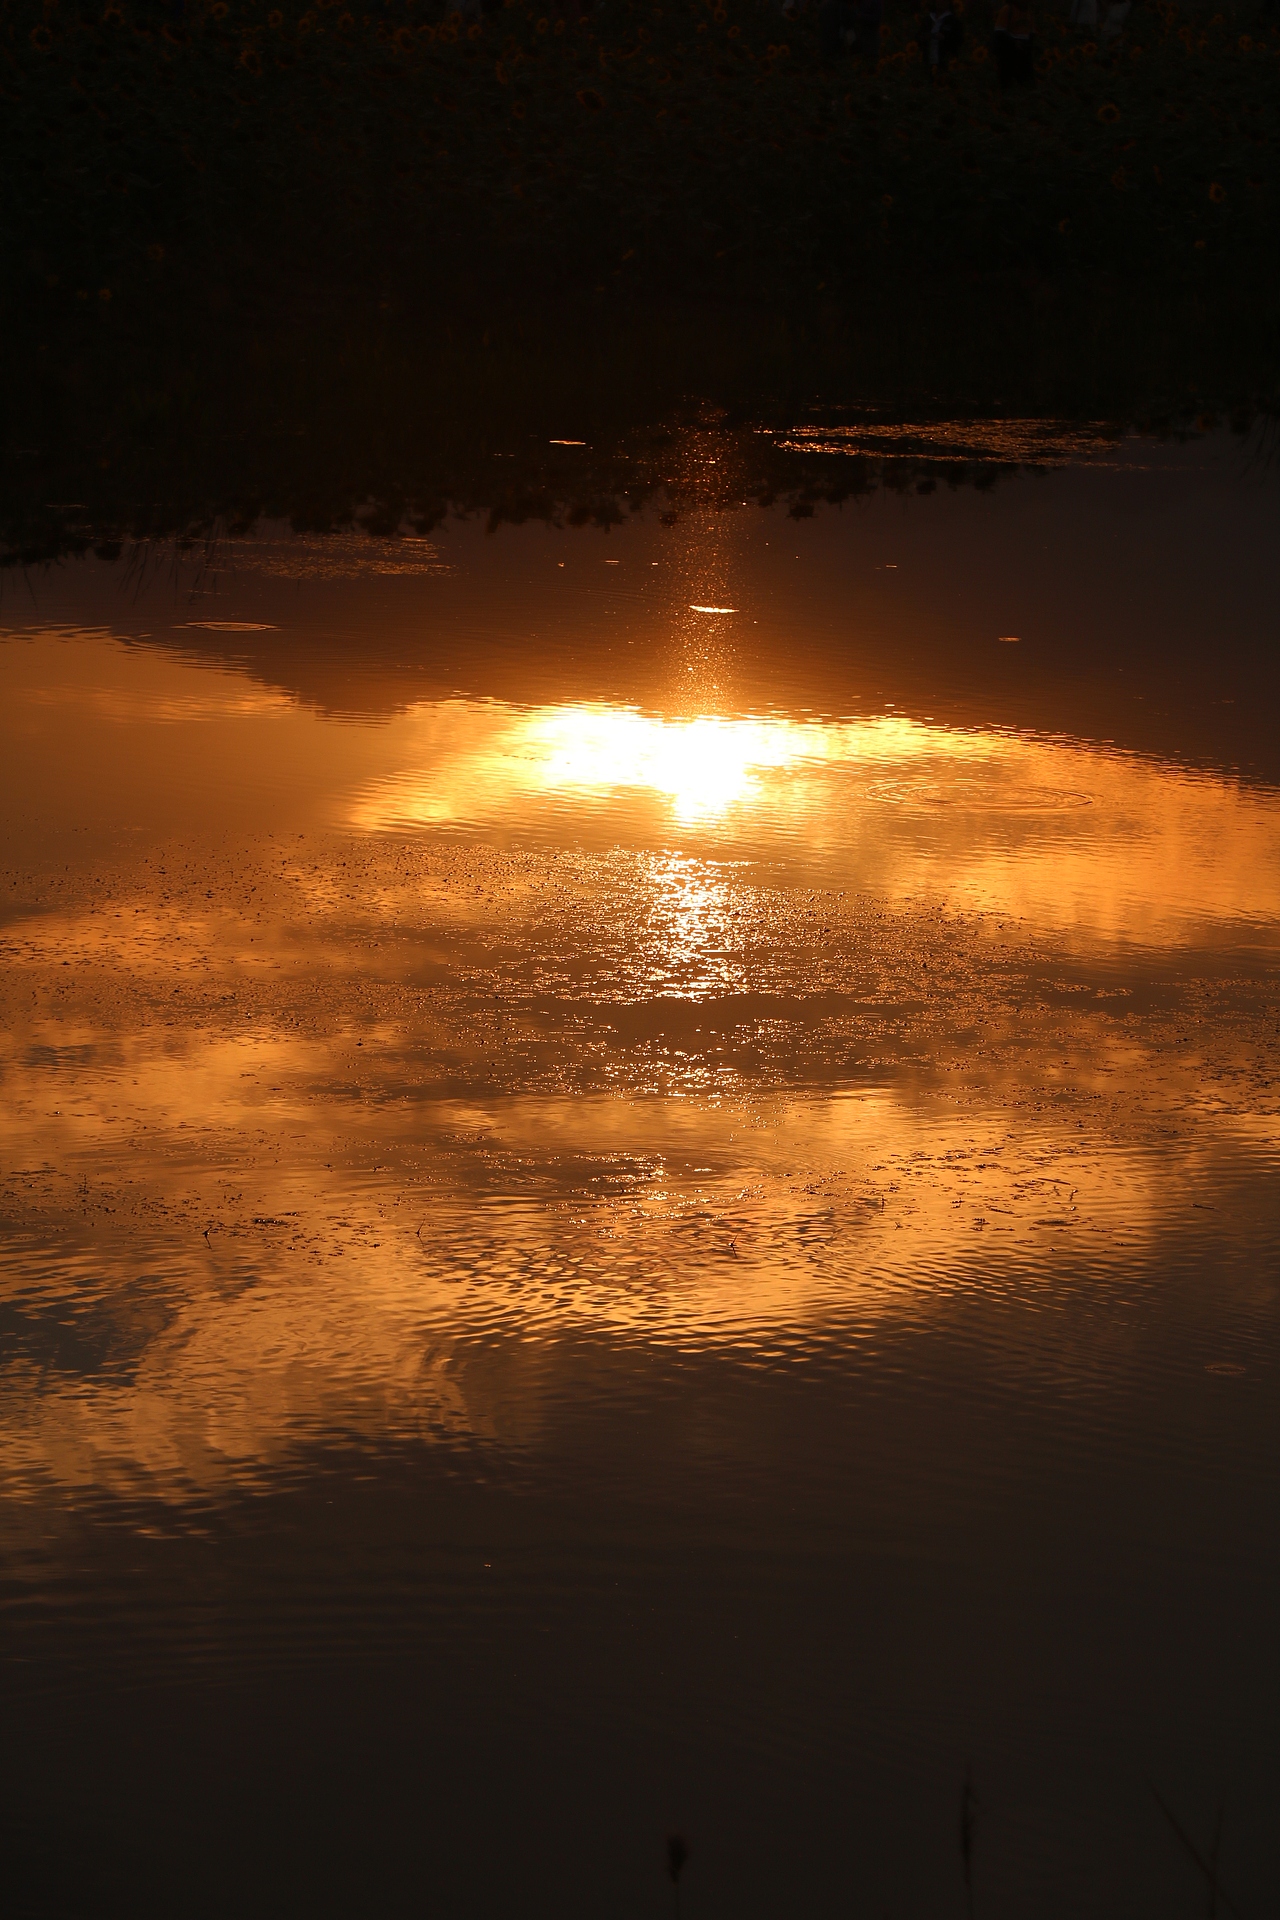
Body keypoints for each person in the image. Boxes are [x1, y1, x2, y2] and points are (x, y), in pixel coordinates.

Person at [994, 0, 1033, 84]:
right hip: (1010, 51)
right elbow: (999, 32)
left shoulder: (1028, 12)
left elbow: (1031, 32)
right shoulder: (1007, 10)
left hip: (1025, 51)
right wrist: (1014, 43)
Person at [925, 0, 964, 70]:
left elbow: (959, 40)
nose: (940, 2)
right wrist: (925, 37)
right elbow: (918, 37)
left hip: (946, 64)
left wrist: (944, 37)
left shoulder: (953, 21)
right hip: (927, 63)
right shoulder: (928, 19)